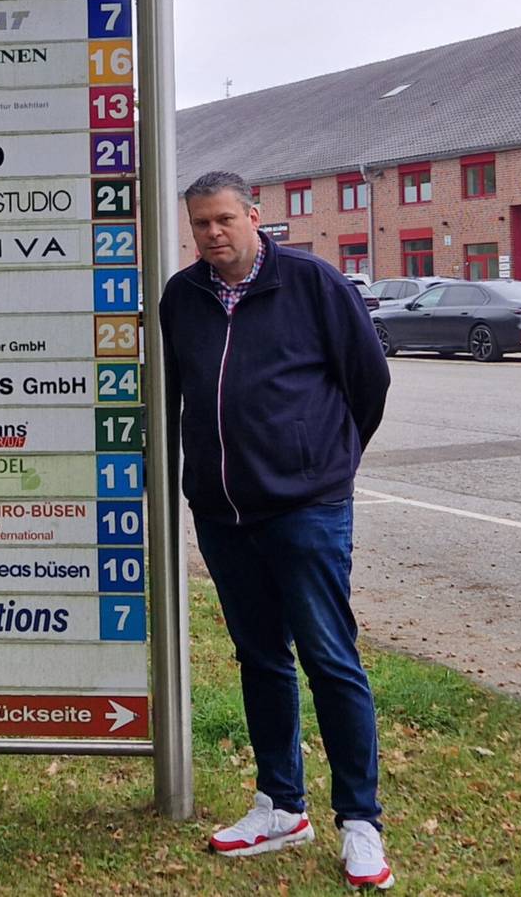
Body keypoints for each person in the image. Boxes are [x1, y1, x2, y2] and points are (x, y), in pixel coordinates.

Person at [160, 170, 396, 891]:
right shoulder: (183, 296)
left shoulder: (312, 283)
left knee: (329, 657)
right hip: (223, 511)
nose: (212, 234)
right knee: (261, 657)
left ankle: (360, 820)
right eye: (200, 223)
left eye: (224, 219)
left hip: (307, 507)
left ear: (254, 214)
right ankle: (279, 805)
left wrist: (325, 463)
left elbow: (369, 380)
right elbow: (177, 393)